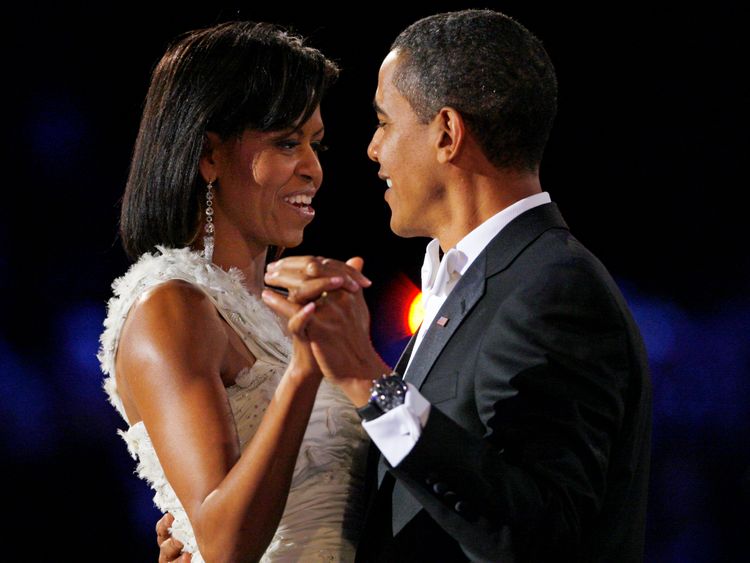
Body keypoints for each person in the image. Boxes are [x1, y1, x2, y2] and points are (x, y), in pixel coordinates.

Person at [258, 8, 652, 563]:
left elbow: (540, 533)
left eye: (384, 122)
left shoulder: (554, 291)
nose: (373, 149)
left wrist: (367, 377)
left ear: (446, 133)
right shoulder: (482, 280)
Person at [98, 21, 373, 562]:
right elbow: (224, 544)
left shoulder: (281, 313)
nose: (313, 168)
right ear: (209, 156)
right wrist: (304, 371)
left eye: (315, 143)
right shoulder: (171, 308)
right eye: (287, 142)